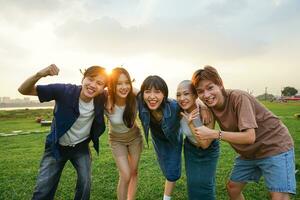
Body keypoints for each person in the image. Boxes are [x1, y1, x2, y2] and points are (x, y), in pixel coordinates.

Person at [191, 66, 296, 200]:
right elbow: (199, 99)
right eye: (201, 91)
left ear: (220, 84)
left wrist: (214, 133)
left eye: (210, 88)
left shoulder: (239, 98)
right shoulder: (209, 104)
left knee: (278, 196)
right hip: (250, 153)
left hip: (275, 146)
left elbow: (249, 137)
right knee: (233, 188)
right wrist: (201, 105)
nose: (206, 95)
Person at [18, 64, 108, 200]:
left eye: (99, 83)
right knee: (43, 189)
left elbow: (127, 91)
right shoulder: (64, 91)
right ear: (83, 79)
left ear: (103, 89)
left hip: (81, 147)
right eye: (90, 79)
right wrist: (40, 74)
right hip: (56, 146)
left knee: (85, 183)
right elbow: (23, 90)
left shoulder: (101, 98)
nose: (93, 85)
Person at [137, 75, 182, 200]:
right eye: (147, 92)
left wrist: (203, 106)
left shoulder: (174, 106)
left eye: (157, 92)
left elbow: (193, 100)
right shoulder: (141, 102)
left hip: (174, 138)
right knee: (166, 169)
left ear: (164, 94)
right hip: (158, 139)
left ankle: (166, 198)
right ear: (142, 94)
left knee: (172, 173)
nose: (152, 96)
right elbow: (131, 90)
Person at [176, 80, 219, 200]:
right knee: (193, 183)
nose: (182, 98)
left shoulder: (207, 112)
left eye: (186, 94)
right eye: (178, 95)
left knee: (206, 184)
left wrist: (191, 123)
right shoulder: (178, 111)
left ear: (195, 95)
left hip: (209, 149)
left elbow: (205, 144)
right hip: (190, 149)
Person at [106, 67, 143, 200]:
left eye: (127, 83)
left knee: (133, 172)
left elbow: (150, 95)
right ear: (112, 85)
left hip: (134, 138)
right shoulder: (105, 100)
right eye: (119, 83)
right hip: (117, 140)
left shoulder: (135, 97)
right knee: (125, 174)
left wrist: (198, 101)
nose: (124, 87)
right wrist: (110, 96)